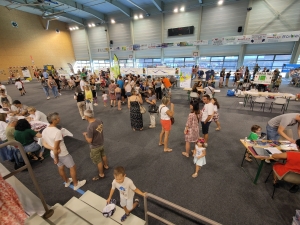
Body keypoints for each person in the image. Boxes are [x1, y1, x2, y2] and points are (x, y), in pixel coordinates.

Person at [42, 112, 86, 190]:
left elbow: (44, 143)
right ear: (54, 120)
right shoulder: (57, 132)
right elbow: (56, 148)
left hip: (53, 153)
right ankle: (76, 184)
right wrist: (56, 157)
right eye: (58, 118)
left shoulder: (44, 130)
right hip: (62, 154)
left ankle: (67, 181)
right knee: (72, 167)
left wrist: (52, 150)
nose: (60, 119)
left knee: (60, 167)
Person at [82, 109, 109, 181]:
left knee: (98, 161)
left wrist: (85, 135)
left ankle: (101, 174)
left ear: (87, 117)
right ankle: (106, 166)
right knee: (103, 155)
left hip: (95, 147)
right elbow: (99, 129)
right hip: (101, 143)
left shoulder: (90, 127)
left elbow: (89, 141)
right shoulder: (99, 120)